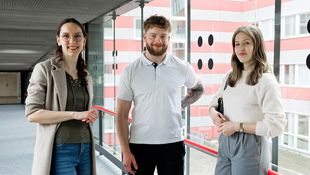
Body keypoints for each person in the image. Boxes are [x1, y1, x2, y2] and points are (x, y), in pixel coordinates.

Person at [116, 15, 204, 175]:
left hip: (173, 143)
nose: (158, 40)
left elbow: (199, 89)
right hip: (139, 144)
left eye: (163, 36)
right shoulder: (130, 71)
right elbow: (121, 115)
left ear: (169, 37)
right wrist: (126, 152)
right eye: (153, 35)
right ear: (144, 37)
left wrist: (182, 104)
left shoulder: (182, 67)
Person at [208, 25, 287, 175]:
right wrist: (214, 114)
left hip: (250, 144)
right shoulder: (230, 77)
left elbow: (277, 124)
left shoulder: (266, 81)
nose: (241, 48)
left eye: (247, 43)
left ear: (256, 46)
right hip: (225, 141)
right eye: (237, 44)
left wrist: (237, 126)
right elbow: (214, 103)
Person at [25, 18, 98, 175]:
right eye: (66, 36)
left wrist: (89, 114)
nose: (72, 41)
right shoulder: (44, 69)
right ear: (58, 40)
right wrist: (74, 114)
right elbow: (32, 114)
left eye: (78, 36)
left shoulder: (86, 75)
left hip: (86, 146)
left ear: (84, 40)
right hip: (60, 148)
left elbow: (83, 110)